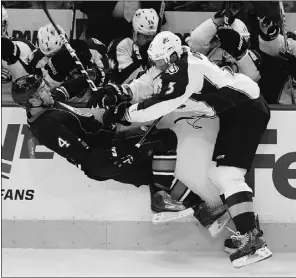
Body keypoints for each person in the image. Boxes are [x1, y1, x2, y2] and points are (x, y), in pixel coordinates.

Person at [88, 31, 272, 267]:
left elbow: (159, 105)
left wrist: (125, 113)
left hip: (246, 109)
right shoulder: (174, 60)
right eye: (156, 61)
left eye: (161, 61)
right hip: (237, 109)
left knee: (228, 176)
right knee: (221, 175)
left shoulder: (187, 69)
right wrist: (121, 91)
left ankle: (254, 242)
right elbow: (150, 80)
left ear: (173, 56)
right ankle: (250, 232)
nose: (158, 66)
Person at [11, 74, 227, 231]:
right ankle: (162, 201)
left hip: (108, 143)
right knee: (165, 139)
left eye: (43, 86)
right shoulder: (46, 127)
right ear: (31, 101)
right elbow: (81, 156)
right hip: (103, 158)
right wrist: (118, 160)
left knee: (155, 174)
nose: (47, 89)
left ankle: (201, 211)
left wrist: (91, 79)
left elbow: (67, 88)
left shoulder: (46, 105)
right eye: (41, 90)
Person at [186, 5, 262, 83]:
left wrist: (239, 54)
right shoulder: (209, 48)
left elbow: (252, 80)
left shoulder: (251, 58)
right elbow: (194, 43)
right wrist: (217, 21)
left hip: (230, 92)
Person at [107, 8, 159, 84]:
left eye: (152, 36)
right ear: (135, 33)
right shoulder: (122, 44)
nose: (150, 41)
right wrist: (145, 62)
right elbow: (126, 80)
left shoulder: (154, 45)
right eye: (146, 37)